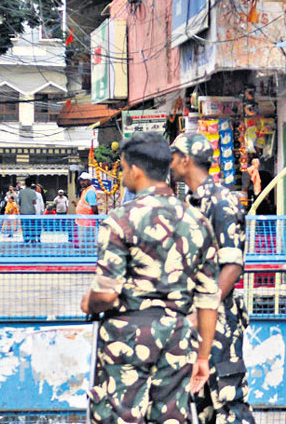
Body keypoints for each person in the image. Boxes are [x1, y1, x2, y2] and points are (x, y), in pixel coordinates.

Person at [82, 132, 221, 424]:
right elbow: (209, 298)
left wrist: (89, 302)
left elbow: (107, 293)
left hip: (127, 336)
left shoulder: (120, 220)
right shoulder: (198, 222)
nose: (122, 173)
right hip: (178, 338)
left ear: (135, 169)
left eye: (122, 167)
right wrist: (204, 356)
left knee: (121, 417)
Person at [169, 132, 256, 424]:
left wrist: (205, 308)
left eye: (173, 155)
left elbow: (232, 265)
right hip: (197, 316)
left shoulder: (221, 201)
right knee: (200, 403)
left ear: (186, 160)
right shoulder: (191, 203)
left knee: (228, 400)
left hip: (218, 320)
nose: (169, 162)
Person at [18, 176, 42, 244]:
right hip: (31, 211)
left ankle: (25, 238)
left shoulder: (21, 192)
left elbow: (19, 202)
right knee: (32, 226)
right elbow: (34, 202)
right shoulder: (33, 192)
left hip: (23, 211)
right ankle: (33, 239)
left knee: (24, 226)